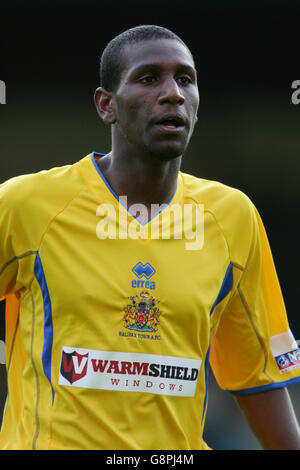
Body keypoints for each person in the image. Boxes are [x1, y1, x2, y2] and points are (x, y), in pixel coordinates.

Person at [0, 24, 300, 451]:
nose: (173, 93)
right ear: (107, 105)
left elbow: (258, 376)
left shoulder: (232, 217)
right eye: (147, 78)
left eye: (185, 79)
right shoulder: (26, 205)